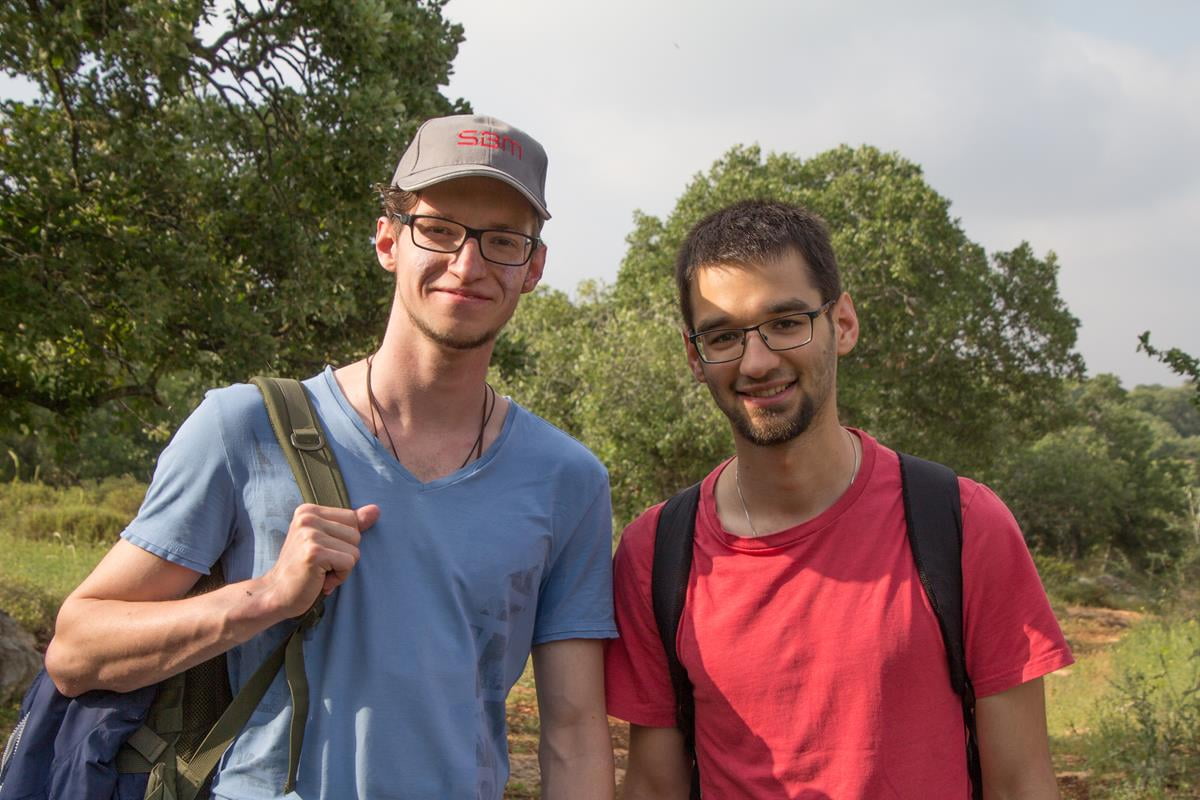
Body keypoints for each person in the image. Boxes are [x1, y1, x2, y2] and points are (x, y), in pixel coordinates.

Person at [45, 114, 617, 800]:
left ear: (533, 269)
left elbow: (576, 733)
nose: (468, 264)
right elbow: (76, 652)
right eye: (439, 230)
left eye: (502, 241)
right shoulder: (243, 429)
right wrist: (263, 598)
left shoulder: (568, 481)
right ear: (387, 241)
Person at [604, 199, 1073, 799]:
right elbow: (653, 786)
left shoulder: (961, 524)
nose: (757, 360)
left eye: (786, 322)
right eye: (723, 335)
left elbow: (1022, 784)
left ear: (842, 324)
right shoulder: (656, 552)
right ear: (695, 355)